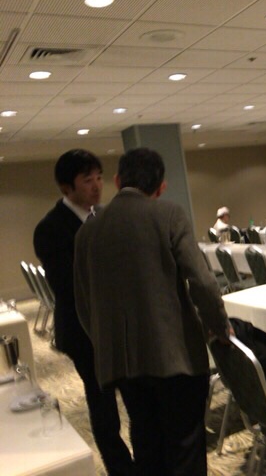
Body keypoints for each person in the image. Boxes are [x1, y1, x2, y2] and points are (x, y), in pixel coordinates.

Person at [74, 148, 232, 476]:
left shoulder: (87, 231)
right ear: (161, 187)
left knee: (146, 444)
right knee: (185, 449)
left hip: (122, 363)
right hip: (175, 359)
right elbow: (202, 282)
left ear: (117, 180)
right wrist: (219, 326)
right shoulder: (169, 214)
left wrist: (106, 345)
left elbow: (85, 305)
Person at [33, 149, 134, 476]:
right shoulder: (50, 228)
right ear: (67, 187)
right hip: (83, 331)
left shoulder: (105, 216)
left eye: (99, 178)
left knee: (136, 396)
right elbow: (68, 286)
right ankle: (121, 469)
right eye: (87, 180)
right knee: (103, 405)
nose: (97, 185)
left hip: (120, 327)